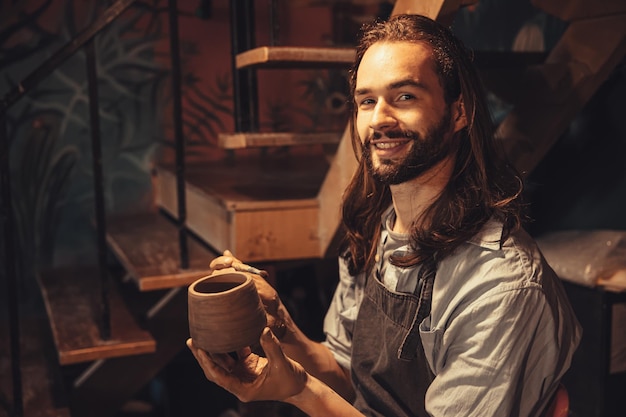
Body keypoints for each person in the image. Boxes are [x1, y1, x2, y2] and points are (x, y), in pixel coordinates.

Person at [187, 14, 581, 417]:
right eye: (367, 101)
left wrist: (300, 390)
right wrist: (282, 330)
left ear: (459, 112)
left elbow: (323, 393)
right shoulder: (379, 228)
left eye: (405, 96)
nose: (378, 119)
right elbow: (346, 375)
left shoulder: (500, 286)